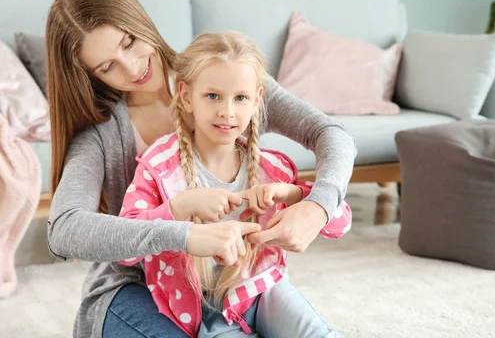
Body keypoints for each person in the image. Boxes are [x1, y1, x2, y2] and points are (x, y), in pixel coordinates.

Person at [45, 0, 356, 338]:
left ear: (140, 19)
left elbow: (330, 133)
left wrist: (318, 204)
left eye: (129, 42)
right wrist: (185, 235)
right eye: (107, 67)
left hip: (228, 282)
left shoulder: (226, 81)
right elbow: (64, 229)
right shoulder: (102, 134)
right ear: (90, 75)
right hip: (133, 288)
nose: (131, 69)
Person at [118, 31, 352, 337]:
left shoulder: (273, 168)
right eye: (212, 96)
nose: (227, 111)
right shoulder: (159, 167)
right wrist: (181, 207)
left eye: (240, 98)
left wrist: (297, 194)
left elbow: (340, 223)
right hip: (203, 309)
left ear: (256, 100)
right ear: (186, 96)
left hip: (265, 289)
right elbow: (124, 244)